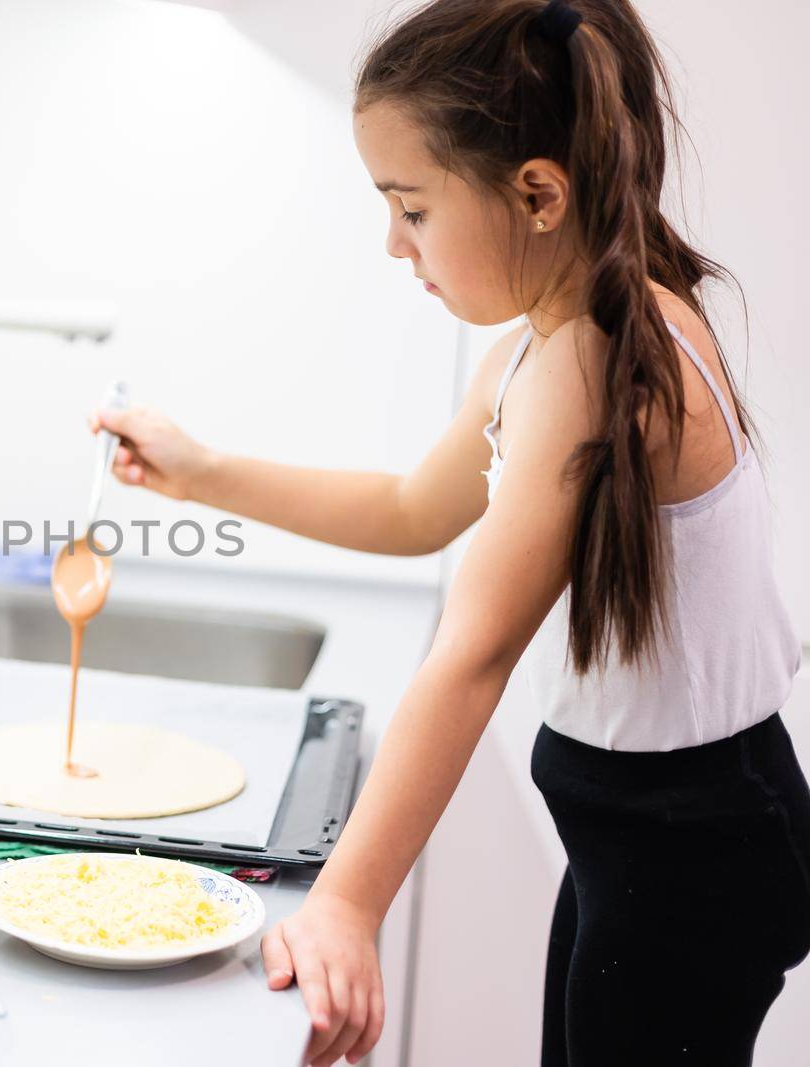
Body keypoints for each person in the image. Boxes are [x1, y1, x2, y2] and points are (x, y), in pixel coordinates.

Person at [90, 1, 807, 1063]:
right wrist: (201, 474)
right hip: (649, 839)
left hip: (689, 852)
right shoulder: (556, 340)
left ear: (537, 193)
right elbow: (411, 509)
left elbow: (469, 655)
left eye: (412, 209)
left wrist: (345, 903)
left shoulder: (590, 358)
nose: (393, 243)